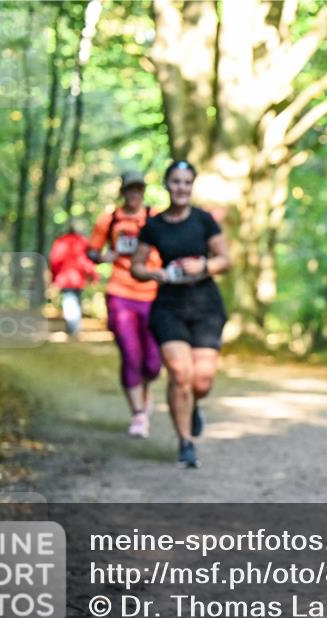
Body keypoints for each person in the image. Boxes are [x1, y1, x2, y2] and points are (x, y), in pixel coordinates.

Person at [130, 161, 231, 468]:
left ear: (192, 186)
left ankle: (194, 404)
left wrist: (202, 267)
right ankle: (185, 443)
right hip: (169, 308)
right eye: (176, 182)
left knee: (201, 382)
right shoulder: (155, 225)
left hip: (206, 308)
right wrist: (154, 274)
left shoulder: (204, 221)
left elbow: (225, 259)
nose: (181, 188)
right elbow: (137, 266)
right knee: (179, 374)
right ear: (167, 184)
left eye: (187, 182)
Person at [87, 170, 164, 438]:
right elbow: (92, 251)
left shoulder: (155, 218)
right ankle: (139, 414)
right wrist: (101, 257)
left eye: (139, 189)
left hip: (153, 295)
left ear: (144, 191)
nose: (135, 194)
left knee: (152, 364)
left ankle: (144, 394)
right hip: (120, 292)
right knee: (131, 354)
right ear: (123, 192)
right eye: (130, 189)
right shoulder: (109, 220)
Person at [48, 222, 98, 337]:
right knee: (75, 300)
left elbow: (54, 261)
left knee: (70, 300)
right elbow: (88, 261)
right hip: (78, 278)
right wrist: (93, 275)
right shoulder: (83, 242)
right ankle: (74, 327)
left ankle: (72, 327)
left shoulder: (61, 241)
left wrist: (54, 276)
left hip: (65, 277)